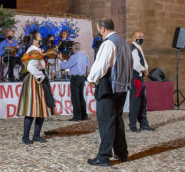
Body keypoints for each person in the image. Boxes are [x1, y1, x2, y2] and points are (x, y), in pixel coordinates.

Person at [87, 18, 133, 166]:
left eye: (98, 29)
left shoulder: (109, 43)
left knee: (106, 122)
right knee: (117, 120)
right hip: (122, 87)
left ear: (102, 29)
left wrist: (92, 79)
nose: (99, 33)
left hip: (110, 88)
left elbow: (101, 65)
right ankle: (122, 153)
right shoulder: (124, 43)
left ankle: (103, 157)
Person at [17, 31, 55, 144]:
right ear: (34, 40)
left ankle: (37, 135)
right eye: (39, 37)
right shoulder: (33, 50)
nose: (41, 38)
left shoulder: (37, 50)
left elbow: (40, 65)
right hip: (34, 81)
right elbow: (30, 67)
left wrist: (41, 66)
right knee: (31, 109)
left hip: (39, 80)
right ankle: (25, 137)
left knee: (41, 109)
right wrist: (41, 76)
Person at [128, 30, 155, 132]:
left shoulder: (138, 48)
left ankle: (144, 124)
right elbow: (136, 64)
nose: (141, 38)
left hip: (140, 78)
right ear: (133, 38)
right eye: (139, 36)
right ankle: (132, 125)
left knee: (143, 102)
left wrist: (146, 69)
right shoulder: (133, 49)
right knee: (135, 102)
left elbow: (143, 61)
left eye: (142, 36)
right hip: (136, 78)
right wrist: (145, 70)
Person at [58, 42, 89, 121]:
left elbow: (66, 66)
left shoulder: (73, 57)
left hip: (75, 78)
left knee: (75, 98)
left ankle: (77, 116)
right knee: (81, 96)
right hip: (82, 78)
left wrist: (61, 60)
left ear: (73, 48)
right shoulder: (84, 56)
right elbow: (86, 65)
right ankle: (84, 116)